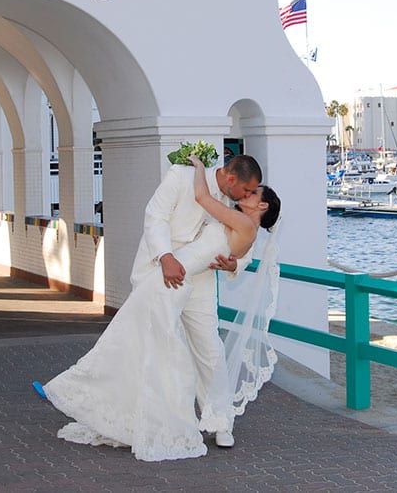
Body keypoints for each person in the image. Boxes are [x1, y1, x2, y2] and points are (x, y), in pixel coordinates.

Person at [39, 153, 280, 461]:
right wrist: (166, 257)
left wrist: (235, 264)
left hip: (201, 279)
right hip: (167, 270)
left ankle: (221, 421)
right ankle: (132, 410)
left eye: (251, 194)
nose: (246, 196)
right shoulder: (180, 177)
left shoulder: (234, 209)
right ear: (232, 179)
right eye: (247, 190)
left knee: (210, 349)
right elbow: (155, 217)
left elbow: (239, 244)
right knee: (149, 342)